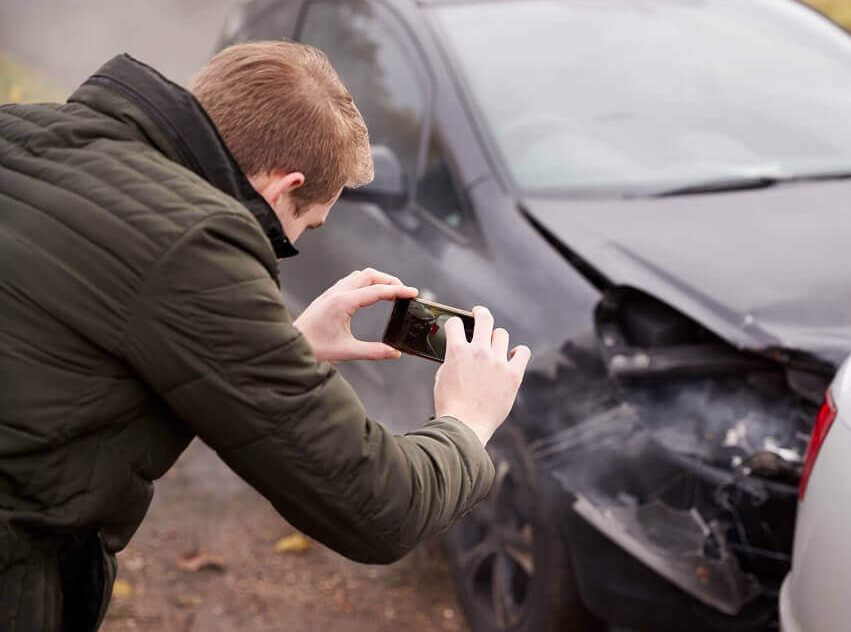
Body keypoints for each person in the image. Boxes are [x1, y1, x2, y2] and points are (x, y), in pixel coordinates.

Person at [0, 41, 530, 632]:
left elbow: (86, 341)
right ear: (283, 189)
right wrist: (467, 421)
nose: (292, 244)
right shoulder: (194, 248)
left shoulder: (21, 133)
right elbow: (379, 507)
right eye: (303, 226)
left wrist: (283, 347)